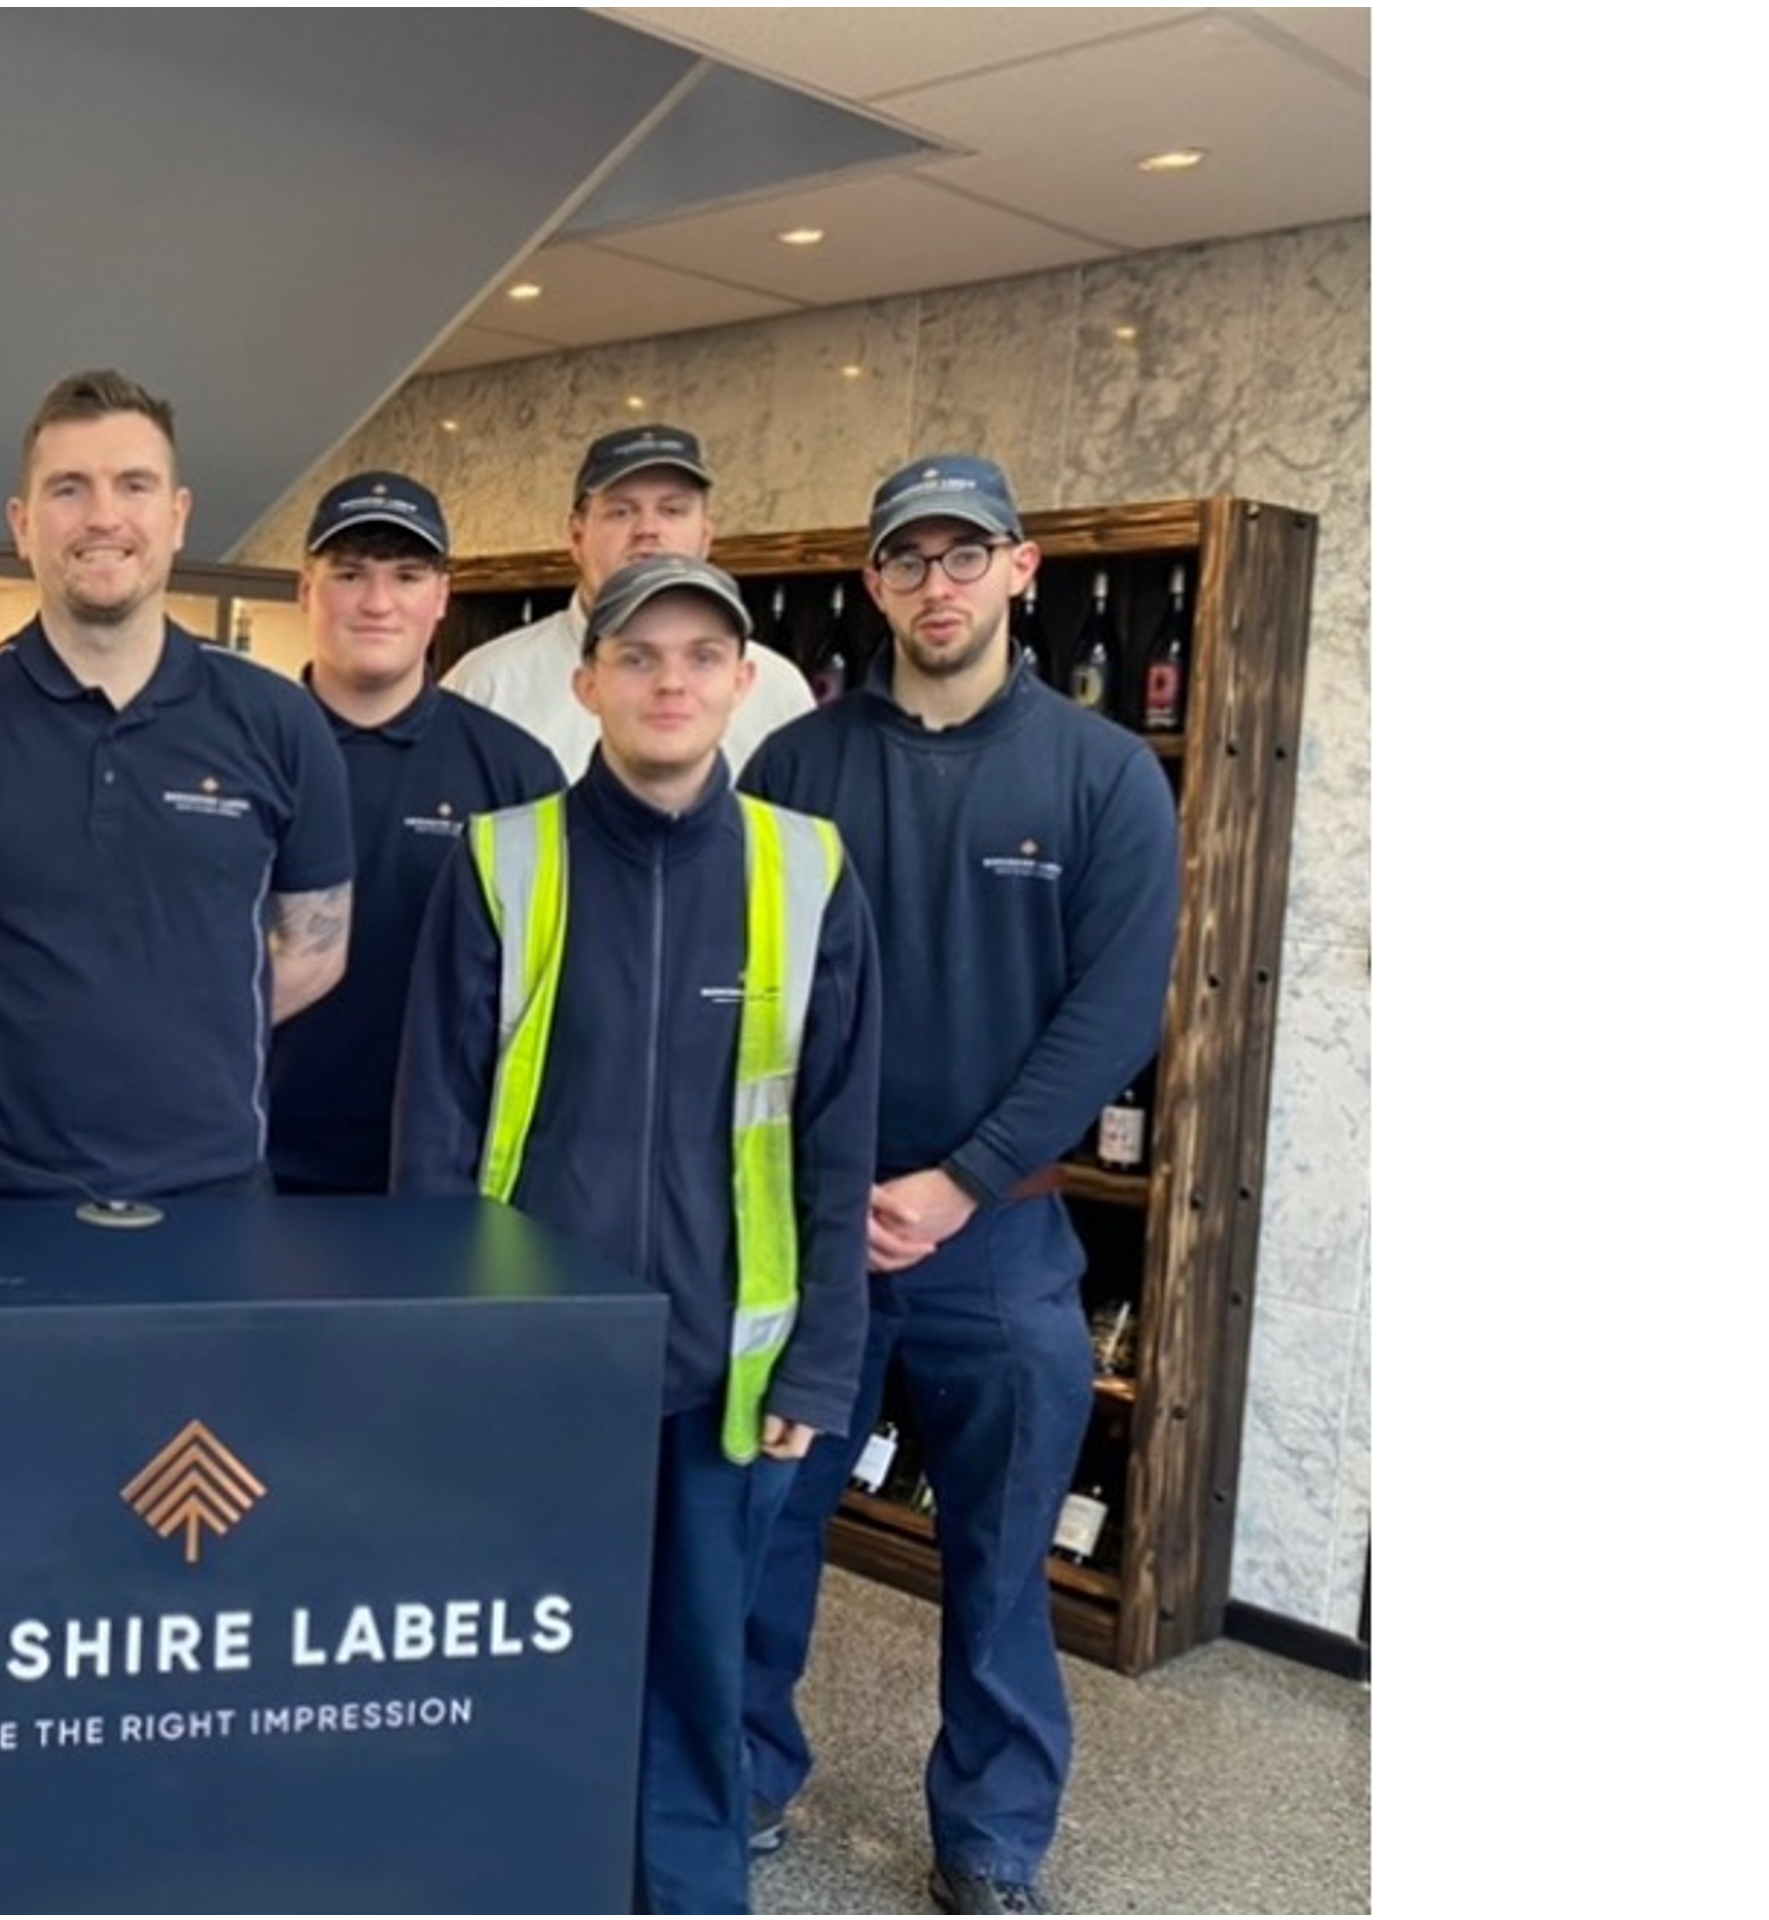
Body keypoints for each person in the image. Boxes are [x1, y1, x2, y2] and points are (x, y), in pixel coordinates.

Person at [396, 554, 878, 1915]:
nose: (670, 682)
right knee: (519, 1653)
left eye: (699, 657)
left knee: (696, 1676)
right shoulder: (504, 860)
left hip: (727, 1369)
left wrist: (818, 1364)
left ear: (742, 682)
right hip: (532, 1365)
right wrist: (442, 1350)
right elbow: (434, 1135)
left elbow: (837, 1137)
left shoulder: (807, 869)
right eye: (639, 655)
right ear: (586, 680)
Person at [737, 455, 1180, 1917]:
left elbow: (1111, 1016)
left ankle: (990, 1837)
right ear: (873, 583)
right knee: (766, 1530)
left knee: (998, 1560)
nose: (936, 584)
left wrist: (959, 1182)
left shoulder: (1101, 775)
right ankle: (737, 1775)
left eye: (963, 554)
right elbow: (747, 985)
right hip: (810, 1230)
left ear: (1019, 570)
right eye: (907, 559)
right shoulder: (794, 768)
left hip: (1000, 1239)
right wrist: (824, 1184)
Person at [0, 368, 353, 1202]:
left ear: (177, 517)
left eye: (133, 485)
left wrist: (181, 1031)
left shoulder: (279, 720)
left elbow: (317, 948)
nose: (103, 517)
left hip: (213, 1192)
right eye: (68, 488)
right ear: (22, 524)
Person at [264, 470, 559, 1195]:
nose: (377, 602)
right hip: (244, 1161)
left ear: (442, 596)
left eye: (405, 575)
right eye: (349, 574)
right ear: (305, 590)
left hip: (440, 1172)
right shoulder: (237, 752)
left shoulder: (514, 770)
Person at [443, 424, 817, 778]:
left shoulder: (779, 691)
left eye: (672, 510)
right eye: (621, 512)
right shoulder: (488, 683)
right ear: (576, 537)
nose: (648, 530)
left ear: (706, 536)